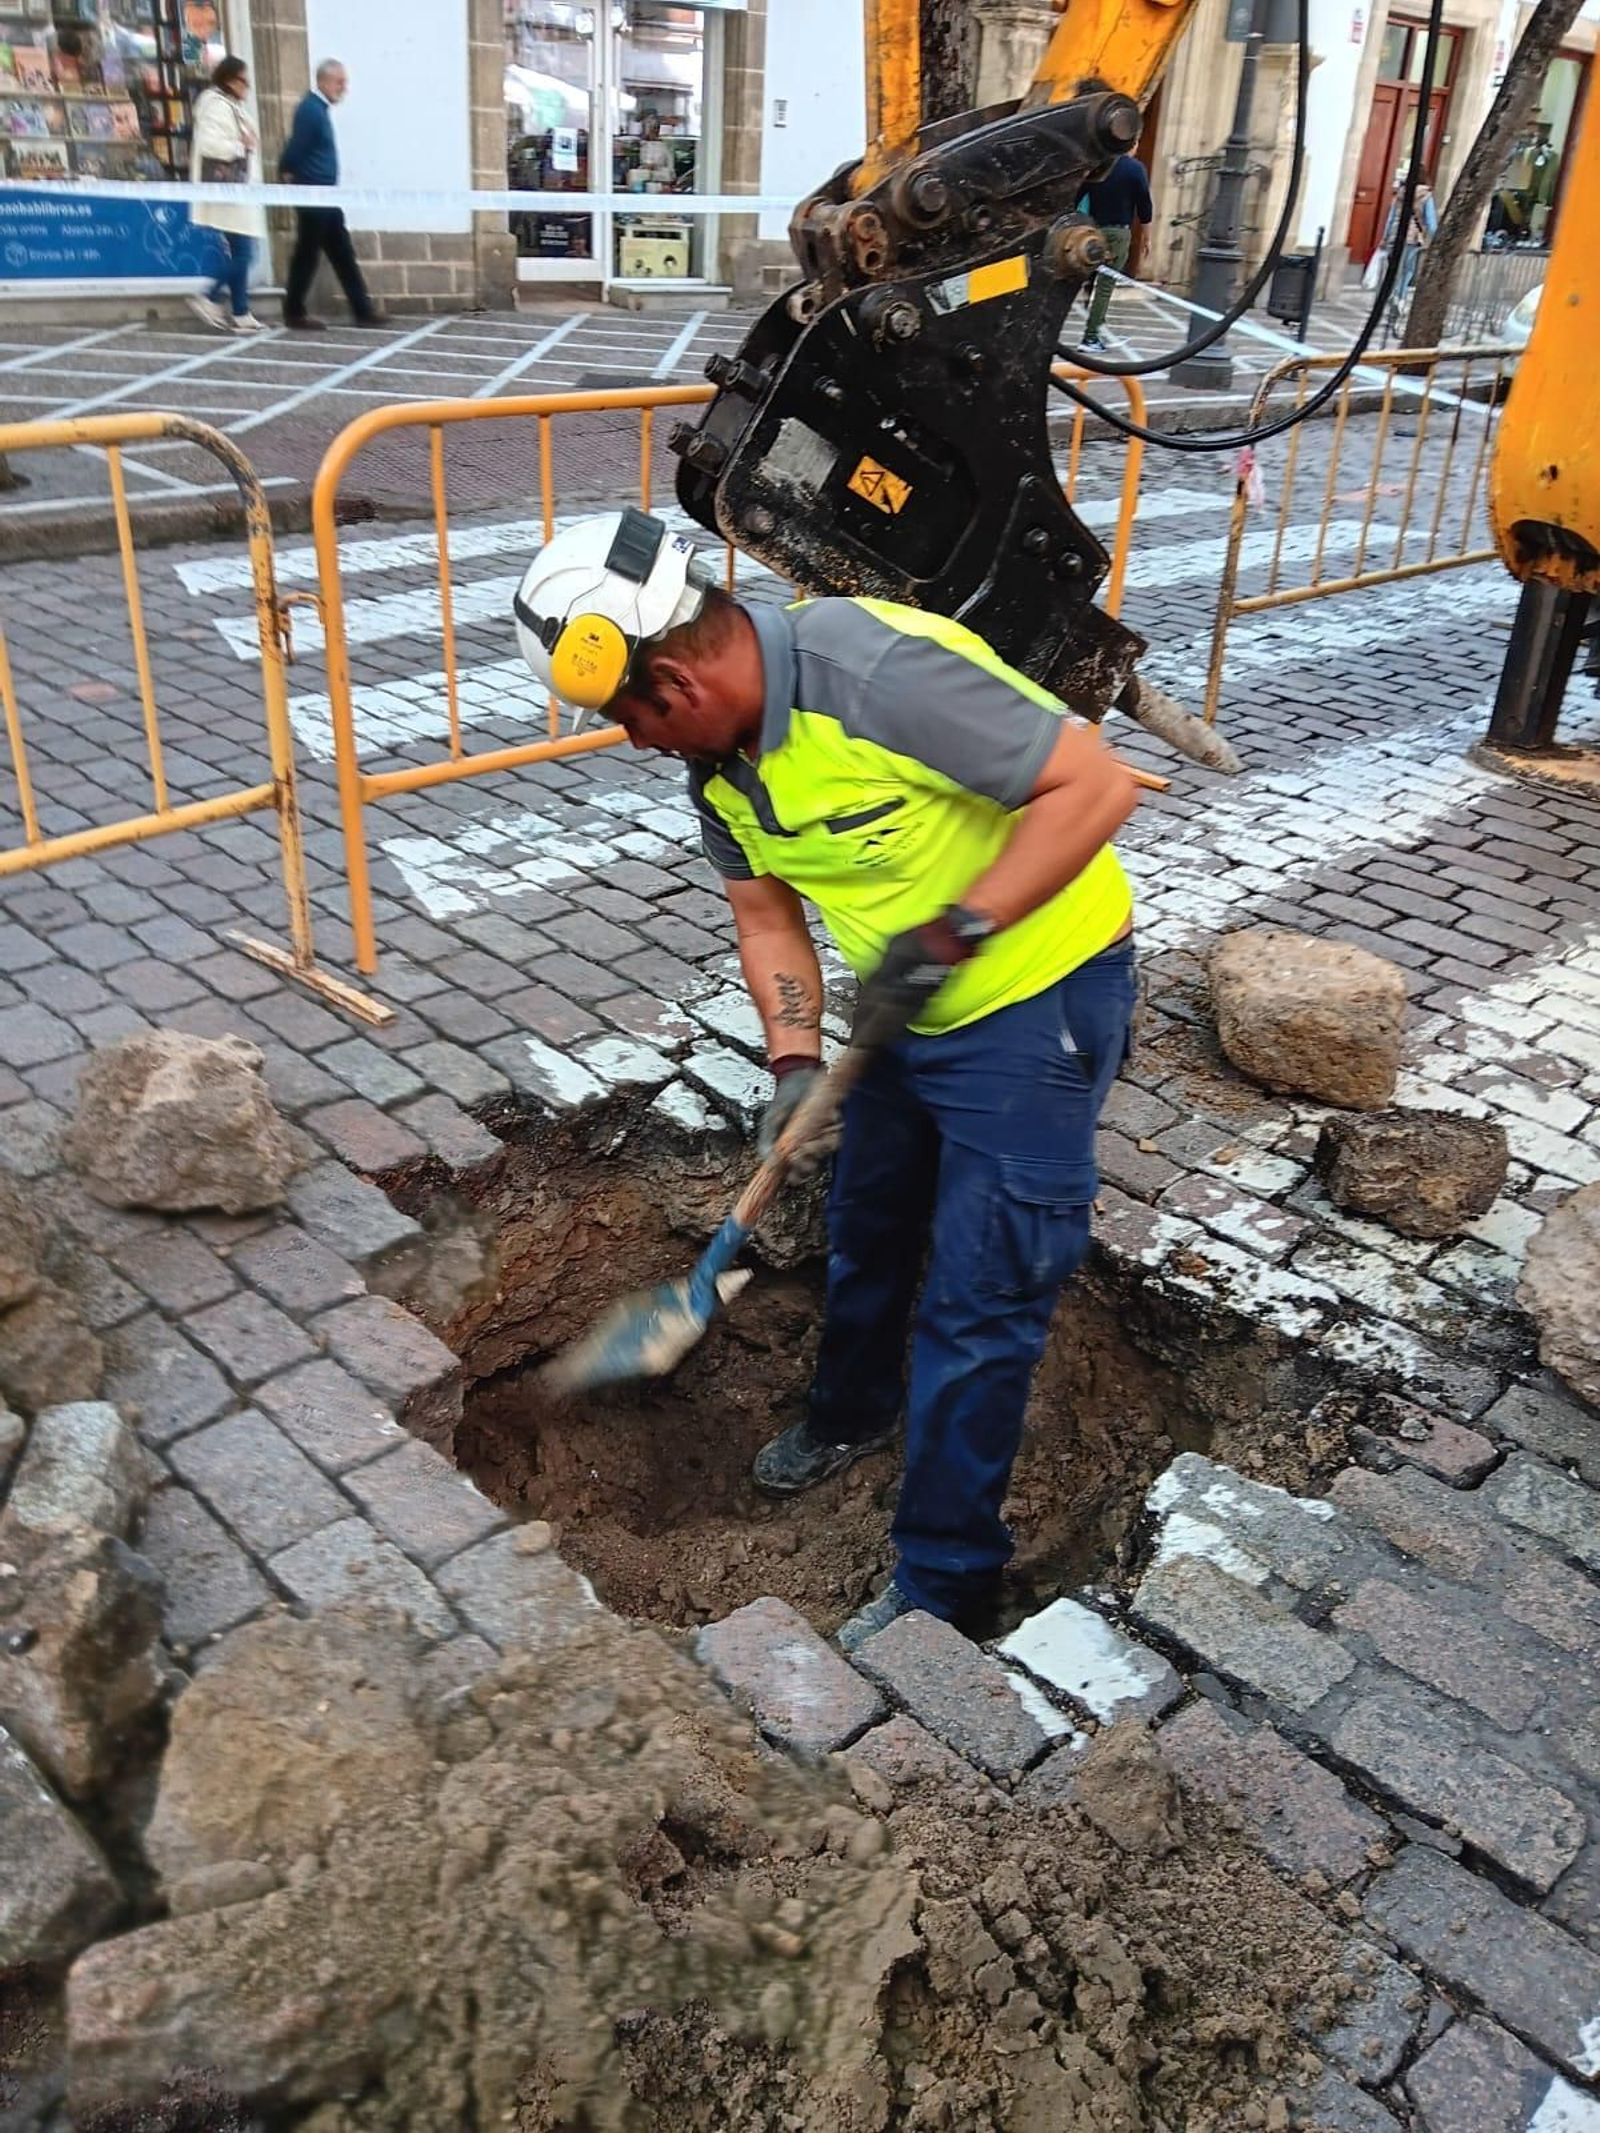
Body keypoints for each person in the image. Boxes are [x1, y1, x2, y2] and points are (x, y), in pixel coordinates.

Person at [512, 512, 1139, 1650]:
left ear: (676, 675)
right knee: (865, 1222)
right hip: (901, 1011)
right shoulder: (719, 771)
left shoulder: (873, 671)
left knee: (980, 1296)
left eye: (626, 717)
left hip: (1031, 1001)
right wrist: (794, 1060)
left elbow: (1092, 787)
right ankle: (849, 1413)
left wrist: (959, 927)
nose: (633, 744)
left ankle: (946, 1582)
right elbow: (765, 920)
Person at [278, 58, 386, 330]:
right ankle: (294, 311)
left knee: (341, 253)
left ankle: (362, 309)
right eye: (340, 82)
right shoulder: (310, 110)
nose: (344, 88)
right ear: (324, 81)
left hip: (326, 196)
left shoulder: (319, 109)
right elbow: (296, 148)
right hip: (315, 195)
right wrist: (287, 170)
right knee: (308, 254)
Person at [188, 56, 266, 336]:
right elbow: (211, 144)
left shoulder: (229, 106)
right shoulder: (218, 107)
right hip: (230, 190)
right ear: (231, 80)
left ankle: (241, 311)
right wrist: (239, 145)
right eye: (245, 81)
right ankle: (209, 297)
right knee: (246, 253)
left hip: (238, 190)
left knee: (242, 251)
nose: (248, 87)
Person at [1383, 167, 1438, 314]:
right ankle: (1400, 297)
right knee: (1408, 270)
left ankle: (1393, 295)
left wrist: (1386, 236)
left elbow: (1391, 216)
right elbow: (1431, 222)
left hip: (1395, 235)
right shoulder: (1426, 196)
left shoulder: (1401, 192)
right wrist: (1435, 238)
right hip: (1412, 237)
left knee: (1394, 268)